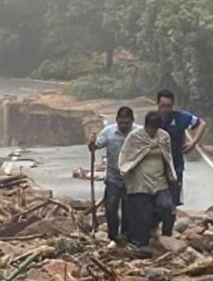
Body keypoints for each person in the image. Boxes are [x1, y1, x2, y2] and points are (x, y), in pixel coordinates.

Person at [118, 111, 178, 246]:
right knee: (143, 217)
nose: (153, 131)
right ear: (146, 126)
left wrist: (171, 177)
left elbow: (168, 157)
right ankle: (142, 243)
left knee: (167, 207)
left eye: (155, 128)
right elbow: (127, 156)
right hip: (140, 183)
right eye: (151, 128)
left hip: (159, 181)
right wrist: (126, 171)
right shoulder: (135, 137)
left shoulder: (164, 136)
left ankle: (166, 237)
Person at [87, 106, 134, 242]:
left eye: (127, 123)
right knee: (111, 206)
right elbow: (94, 147)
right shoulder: (109, 132)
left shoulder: (139, 132)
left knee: (128, 208)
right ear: (117, 120)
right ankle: (113, 235)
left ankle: (126, 235)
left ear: (132, 121)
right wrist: (92, 143)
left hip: (132, 178)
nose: (124, 126)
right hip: (113, 177)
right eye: (121, 123)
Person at [156, 89, 206, 207]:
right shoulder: (152, 119)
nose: (165, 109)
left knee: (174, 200)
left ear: (172, 105)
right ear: (157, 104)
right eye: (163, 106)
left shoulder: (180, 117)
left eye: (168, 106)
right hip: (156, 167)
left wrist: (193, 143)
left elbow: (201, 123)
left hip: (176, 166)